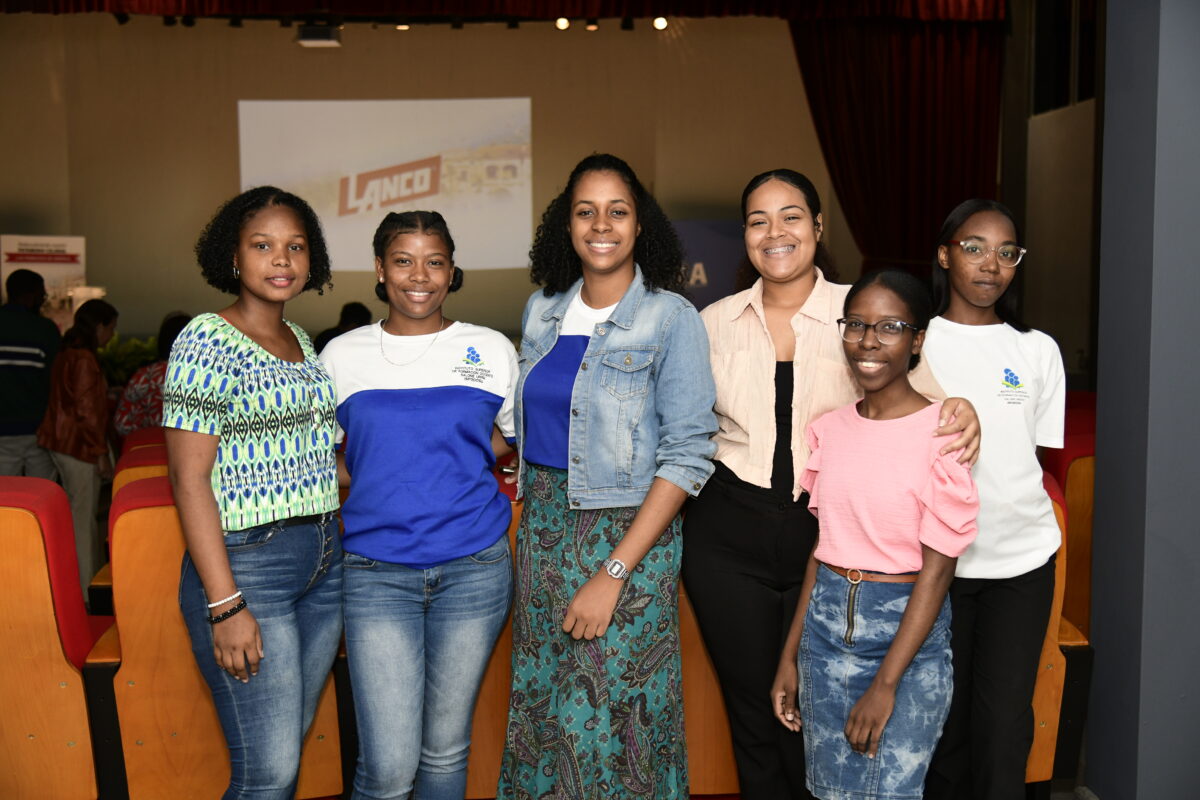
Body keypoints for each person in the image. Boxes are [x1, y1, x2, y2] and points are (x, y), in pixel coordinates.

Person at [683, 169, 980, 800]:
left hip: (825, 532)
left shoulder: (864, 311)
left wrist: (967, 410)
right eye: (758, 220)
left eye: (791, 216)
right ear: (744, 234)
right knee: (754, 707)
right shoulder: (711, 322)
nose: (775, 232)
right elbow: (681, 426)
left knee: (816, 708)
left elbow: (931, 404)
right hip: (728, 533)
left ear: (818, 227)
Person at [497, 153, 718, 799]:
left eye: (617, 211)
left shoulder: (671, 318)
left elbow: (687, 454)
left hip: (627, 542)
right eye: (585, 211)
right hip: (542, 538)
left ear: (639, 224)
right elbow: (534, 425)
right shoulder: (541, 310)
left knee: (618, 722)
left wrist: (613, 572)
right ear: (565, 225)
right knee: (544, 715)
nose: (601, 225)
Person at [320, 211, 516, 800]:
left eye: (435, 262)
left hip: (474, 569)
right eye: (403, 261)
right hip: (376, 572)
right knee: (387, 768)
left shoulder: (490, 348)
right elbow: (324, 459)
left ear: (452, 271)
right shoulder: (341, 355)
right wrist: (383, 470)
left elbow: (508, 438)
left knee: (445, 752)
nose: (419, 276)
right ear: (380, 270)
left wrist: (444, 457)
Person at [771, 269, 979, 800]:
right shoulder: (830, 429)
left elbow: (939, 571)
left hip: (905, 639)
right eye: (857, 324)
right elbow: (823, 550)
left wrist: (886, 685)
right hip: (823, 635)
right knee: (827, 791)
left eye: (890, 327)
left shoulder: (944, 434)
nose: (868, 341)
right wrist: (790, 657)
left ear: (917, 340)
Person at [162, 186, 342, 800]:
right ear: (234, 257)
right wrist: (225, 605)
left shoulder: (303, 342)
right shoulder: (206, 339)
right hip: (249, 566)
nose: (282, 259)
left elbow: (318, 459)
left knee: (284, 753)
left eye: (295, 246)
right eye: (262, 246)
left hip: (324, 558)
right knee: (267, 775)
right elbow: (188, 479)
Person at [919, 200, 1065, 800]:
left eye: (1007, 253)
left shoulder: (1037, 350)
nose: (991, 265)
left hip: (1021, 562)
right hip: (933, 565)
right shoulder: (916, 341)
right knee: (943, 730)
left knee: (1004, 728)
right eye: (974, 248)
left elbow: (1030, 457)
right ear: (944, 254)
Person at [38, 298, 119, 591]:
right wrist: (100, 453)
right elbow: (87, 411)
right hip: (79, 446)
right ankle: (86, 590)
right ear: (99, 327)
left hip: (60, 442)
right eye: (111, 328)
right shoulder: (84, 358)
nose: (112, 335)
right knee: (83, 522)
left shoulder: (66, 352)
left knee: (76, 517)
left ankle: (77, 584)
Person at [0, 268, 60, 480]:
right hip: (38, 430)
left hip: (2, 432)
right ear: (31, 295)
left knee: (4, 494)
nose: (42, 301)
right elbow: (56, 380)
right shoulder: (45, 329)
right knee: (40, 492)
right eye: (42, 295)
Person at [113, 312, 192, 437]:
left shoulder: (145, 376)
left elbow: (122, 423)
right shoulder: (203, 378)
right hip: (192, 446)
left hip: (147, 445)